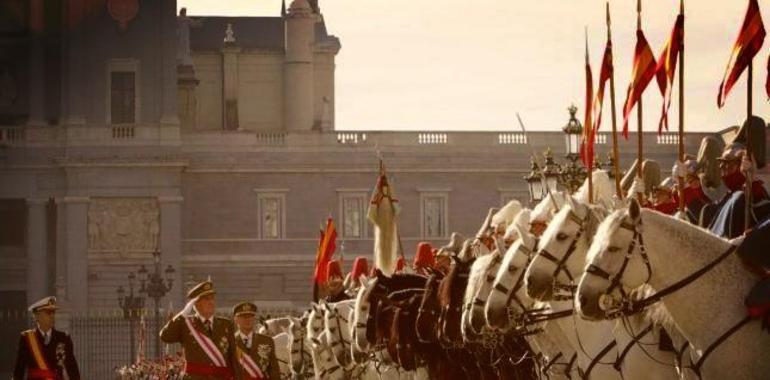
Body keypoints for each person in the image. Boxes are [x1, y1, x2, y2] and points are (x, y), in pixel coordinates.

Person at [160, 280, 236, 379]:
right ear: (195, 304)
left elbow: (233, 356)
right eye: (206, 299)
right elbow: (165, 336)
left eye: (212, 299)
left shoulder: (226, 324)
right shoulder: (186, 324)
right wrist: (183, 313)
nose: (211, 302)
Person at [701, 143, 770, 238]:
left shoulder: (750, 191)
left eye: (726, 162)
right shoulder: (730, 193)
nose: (721, 166)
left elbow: (763, 211)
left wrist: (751, 179)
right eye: (721, 162)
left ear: (739, 165)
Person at [13, 296, 81, 380]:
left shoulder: (63, 338)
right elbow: (19, 370)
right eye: (48, 313)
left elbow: (72, 369)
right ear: (37, 316)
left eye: (53, 312)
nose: (52, 316)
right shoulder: (27, 338)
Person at [232, 302, 280, 380]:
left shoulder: (267, 341)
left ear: (254, 318)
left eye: (251, 316)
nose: (248, 319)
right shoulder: (230, 342)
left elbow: (274, 372)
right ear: (236, 319)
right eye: (243, 316)